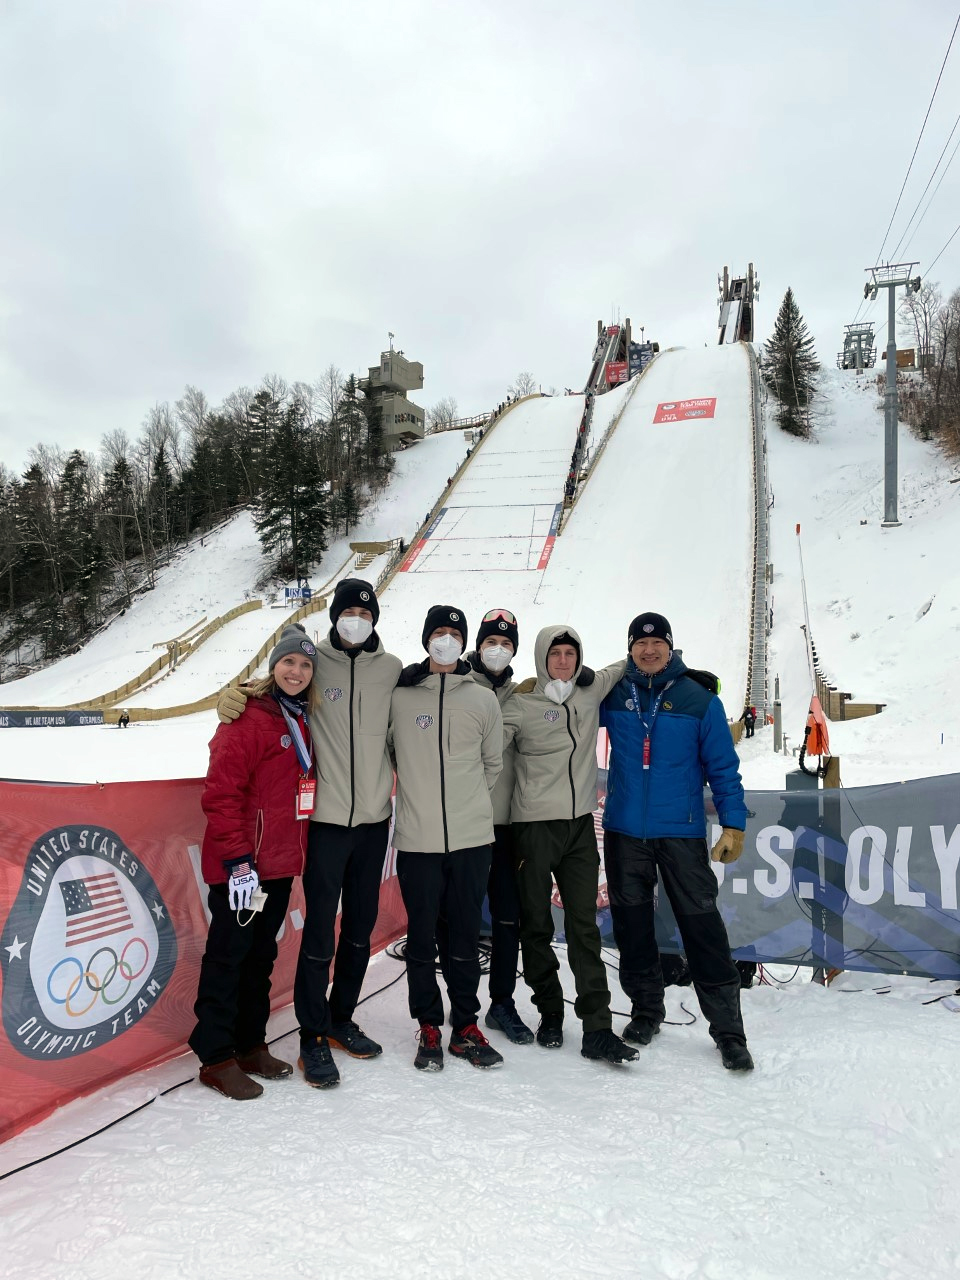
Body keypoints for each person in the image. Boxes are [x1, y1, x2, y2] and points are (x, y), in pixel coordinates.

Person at [217, 579, 401, 1090]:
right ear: (335, 616)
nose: (356, 621)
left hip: (372, 821)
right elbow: (276, 687)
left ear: (375, 620)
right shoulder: (313, 662)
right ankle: (312, 1035)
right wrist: (235, 695)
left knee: (361, 928)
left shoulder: (392, 671)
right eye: (348, 613)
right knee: (320, 930)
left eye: (366, 614)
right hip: (323, 824)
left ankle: (342, 1018)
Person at [599, 612, 754, 1071]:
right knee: (632, 928)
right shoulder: (614, 694)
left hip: (681, 831)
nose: (648, 651)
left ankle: (728, 1031)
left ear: (670, 647)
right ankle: (647, 1010)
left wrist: (734, 823)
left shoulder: (698, 699)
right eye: (639, 644)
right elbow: (570, 704)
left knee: (702, 927)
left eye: (656, 644)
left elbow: (723, 768)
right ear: (629, 649)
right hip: (625, 830)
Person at [190, 626, 318, 1100]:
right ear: (273, 666)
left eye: (305, 665)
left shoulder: (301, 717)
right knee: (228, 959)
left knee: (260, 959)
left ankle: (250, 1044)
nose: (296, 671)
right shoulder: (245, 717)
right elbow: (221, 795)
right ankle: (215, 1055)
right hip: (241, 868)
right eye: (289, 662)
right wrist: (239, 860)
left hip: (280, 865)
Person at [505, 625, 638, 1065]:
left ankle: (597, 1027)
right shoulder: (520, 705)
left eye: (570, 654)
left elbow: (623, 666)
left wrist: (683, 669)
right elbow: (482, 745)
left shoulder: (589, 690)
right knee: (537, 925)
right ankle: (549, 1011)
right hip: (533, 829)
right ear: (542, 658)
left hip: (580, 827)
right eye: (555, 654)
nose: (563, 661)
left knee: (584, 927)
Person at [389, 605, 504, 1071]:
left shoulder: (481, 698)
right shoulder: (401, 697)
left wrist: (467, 805)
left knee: (462, 935)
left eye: (454, 634)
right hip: (417, 840)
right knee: (420, 937)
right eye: (438, 633)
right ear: (426, 640)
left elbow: (492, 764)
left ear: (464, 643)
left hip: (472, 839)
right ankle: (429, 1024)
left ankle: (466, 1026)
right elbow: (392, 753)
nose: (446, 641)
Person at [460, 608, 533, 1045]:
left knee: (508, 920)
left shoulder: (521, 696)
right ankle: (462, 1006)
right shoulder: (456, 684)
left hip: (507, 825)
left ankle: (501, 1003)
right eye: (492, 642)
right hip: (464, 825)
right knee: (462, 921)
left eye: (506, 645)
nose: (498, 649)